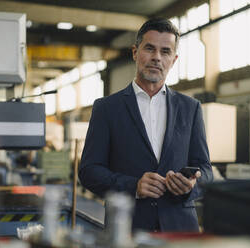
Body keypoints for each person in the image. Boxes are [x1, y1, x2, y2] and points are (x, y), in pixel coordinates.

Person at [78, 18, 213, 232]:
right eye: (149, 48)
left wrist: (191, 186)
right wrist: (133, 186)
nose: (156, 58)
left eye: (165, 51)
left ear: (174, 59)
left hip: (180, 230)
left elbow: (206, 169)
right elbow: (88, 171)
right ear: (135, 52)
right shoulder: (106, 108)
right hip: (127, 229)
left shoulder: (191, 108)